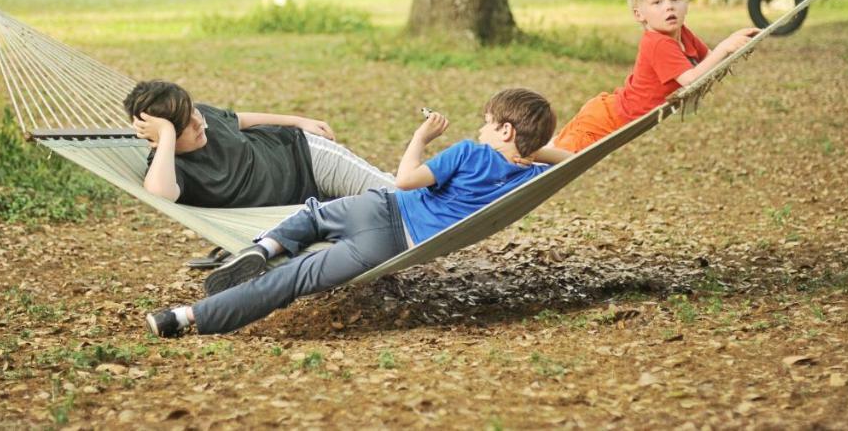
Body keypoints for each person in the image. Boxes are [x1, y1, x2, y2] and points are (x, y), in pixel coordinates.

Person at [145, 87, 564, 337]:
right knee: (295, 279)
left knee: (314, 214)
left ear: (504, 130)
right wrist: (524, 148)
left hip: (381, 205)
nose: (480, 129)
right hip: (391, 243)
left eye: (488, 123)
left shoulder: (468, 152)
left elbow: (403, 179)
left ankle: (267, 246)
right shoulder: (529, 178)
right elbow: (565, 157)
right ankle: (181, 318)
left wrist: (421, 136)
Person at [550, 0, 758, 153]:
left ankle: (522, 155)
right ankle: (517, 162)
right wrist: (725, 46)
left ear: (687, 4)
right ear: (640, 15)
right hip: (608, 120)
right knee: (553, 160)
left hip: (609, 111)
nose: (669, 7)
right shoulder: (658, 43)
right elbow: (691, 80)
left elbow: (712, 61)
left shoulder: (682, 33)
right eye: (657, 2)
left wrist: (736, 43)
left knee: (551, 147)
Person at [124, 80, 391, 209]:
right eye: (186, 123)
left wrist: (298, 121)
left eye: (195, 111)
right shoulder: (171, 168)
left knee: (394, 192)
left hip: (305, 157)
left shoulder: (201, 117)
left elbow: (240, 119)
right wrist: (167, 136)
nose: (200, 123)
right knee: (379, 209)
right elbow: (160, 195)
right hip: (303, 205)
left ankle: (432, 185)